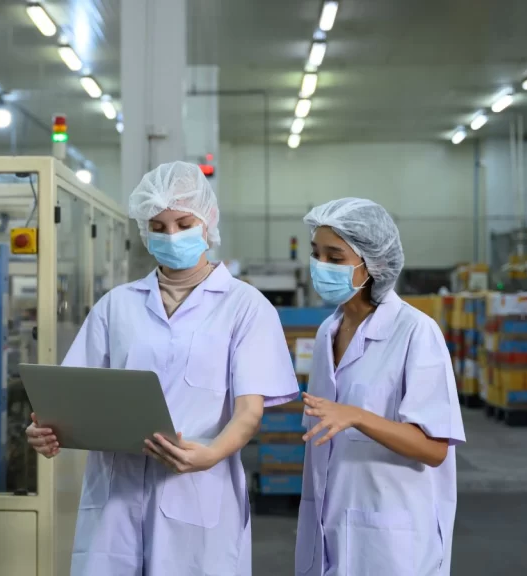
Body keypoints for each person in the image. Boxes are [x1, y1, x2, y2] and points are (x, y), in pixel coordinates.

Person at [27, 161, 299, 576]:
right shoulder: (117, 305)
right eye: (158, 226)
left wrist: (211, 455)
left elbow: (249, 412)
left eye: (183, 222)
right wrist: (47, 429)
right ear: (144, 232)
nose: (171, 235)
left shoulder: (245, 306)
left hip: (197, 492)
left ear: (207, 222)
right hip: (116, 496)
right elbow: (73, 393)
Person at [294, 198, 466, 576]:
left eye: (335, 257)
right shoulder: (328, 333)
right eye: (316, 253)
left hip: (391, 540)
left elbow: (434, 448)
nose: (320, 266)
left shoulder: (415, 332)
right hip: (331, 527)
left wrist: (357, 416)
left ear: (373, 265)